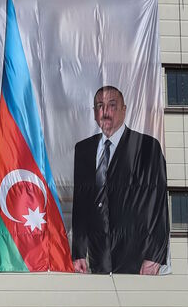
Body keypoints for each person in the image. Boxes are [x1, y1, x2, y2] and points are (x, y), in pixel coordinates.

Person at [71, 85, 169, 275]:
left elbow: (159, 205)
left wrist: (155, 255)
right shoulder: (83, 149)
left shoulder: (147, 147)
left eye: (112, 105)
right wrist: (79, 252)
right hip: (97, 256)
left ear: (124, 110)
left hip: (138, 255)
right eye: (100, 106)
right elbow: (80, 205)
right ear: (94, 113)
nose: (105, 112)